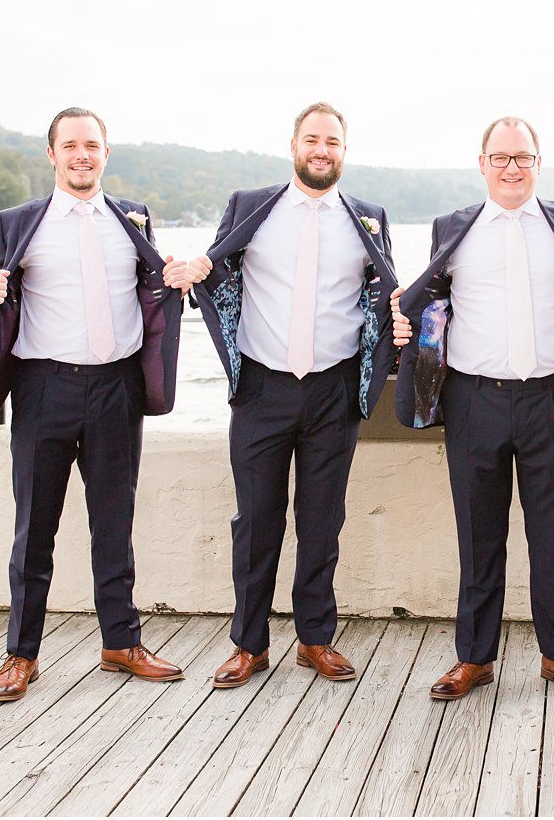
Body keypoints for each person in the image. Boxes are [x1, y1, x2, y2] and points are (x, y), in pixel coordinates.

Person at [164, 102, 398, 689]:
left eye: (334, 142)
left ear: (345, 151)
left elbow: (386, 293)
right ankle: (249, 644)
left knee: (322, 522)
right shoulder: (252, 207)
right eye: (313, 140)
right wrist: (193, 270)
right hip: (262, 387)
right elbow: (219, 271)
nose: (322, 150)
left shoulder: (367, 218)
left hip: (335, 389)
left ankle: (315, 638)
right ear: (294, 146)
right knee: (256, 521)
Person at [390, 116, 554, 700]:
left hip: (551, 398)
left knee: (553, 533)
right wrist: (399, 324)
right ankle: (474, 658)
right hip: (473, 399)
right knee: (478, 535)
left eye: (522, 157)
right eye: (501, 157)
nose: (512, 167)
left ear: (538, 163)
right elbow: (426, 301)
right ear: (483, 164)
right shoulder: (453, 228)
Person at [0, 106, 186, 702]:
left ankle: (121, 641)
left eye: (91, 144)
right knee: (35, 527)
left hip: (117, 389)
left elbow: (155, 285)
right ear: (52, 154)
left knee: (114, 522)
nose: (81, 154)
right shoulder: (20, 223)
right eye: (70, 145)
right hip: (44, 390)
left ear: (106, 153)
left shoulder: (130, 217)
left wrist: (179, 278)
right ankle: (21, 654)